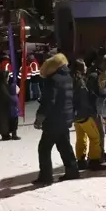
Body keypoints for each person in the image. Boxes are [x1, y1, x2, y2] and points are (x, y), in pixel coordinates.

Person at [33, 53, 79, 184]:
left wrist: (39, 118)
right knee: (64, 146)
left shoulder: (52, 80)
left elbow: (48, 101)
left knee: (44, 148)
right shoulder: (68, 77)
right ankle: (72, 171)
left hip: (54, 120)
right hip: (65, 118)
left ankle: (46, 177)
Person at [71, 59, 106, 171]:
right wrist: (91, 111)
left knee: (81, 137)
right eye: (84, 65)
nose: (86, 67)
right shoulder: (81, 82)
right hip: (84, 114)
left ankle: (81, 160)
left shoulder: (71, 80)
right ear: (80, 68)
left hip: (75, 116)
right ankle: (94, 161)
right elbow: (84, 100)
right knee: (95, 137)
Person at [0, 71, 20, 140]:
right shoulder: (2, 85)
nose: (8, 78)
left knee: (4, 121)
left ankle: (6, 134)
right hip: (3, 107)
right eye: (7, 77)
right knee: (4, 121)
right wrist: (13, 101)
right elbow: (6, 95)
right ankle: (5, 135)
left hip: (1, 106)